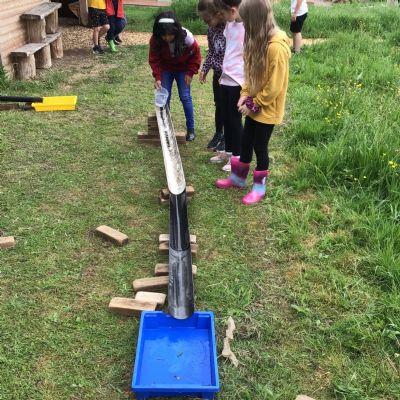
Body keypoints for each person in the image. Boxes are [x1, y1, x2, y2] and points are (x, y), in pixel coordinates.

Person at [215, 0, 291, 205]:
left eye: (246, 22)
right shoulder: (256, 40)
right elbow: (249, 73)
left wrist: (254, 103)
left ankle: (259, 188)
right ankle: (238, 179)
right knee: (246, 141)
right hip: (254, 104)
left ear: (255, 21)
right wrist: (245, 93)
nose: (243, 26)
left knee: (260, 146)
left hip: (268, 108)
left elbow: (274, 87)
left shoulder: (276, 48)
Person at [148, 11, 202, 142]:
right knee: (164, 97)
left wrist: (190, 72)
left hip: (183, 70)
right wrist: (158, 77)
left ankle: (191, 129)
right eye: (164, 35)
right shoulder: (155, 39)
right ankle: (165, 128)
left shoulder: (187, 37)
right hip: (166, 69)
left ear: (176, 31)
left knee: (185, 96)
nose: (167, 38)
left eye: (170, 35)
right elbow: (154, 59)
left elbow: (196, 55)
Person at [209, 0, 245, 172]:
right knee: (226, 116)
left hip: (238, 79)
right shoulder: (230, 24)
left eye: (222, 14)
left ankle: (237, 157)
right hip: (225, 77)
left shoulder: (248, 27)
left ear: (232, 10)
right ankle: (228, 151)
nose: (220, 17)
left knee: (234, 119)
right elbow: (228, 49)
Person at [197, 0, 226, 152]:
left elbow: (234, 55)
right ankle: (218, 133)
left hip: (229, 76)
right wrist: (205, 68)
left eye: (207, 19)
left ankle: (228, 137)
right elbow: (212, 52)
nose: (206, 23)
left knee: (228, 108)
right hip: (217, 74)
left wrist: (226, 73)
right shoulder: (211, 29)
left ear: (217, 14)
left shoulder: (229, 28)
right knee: (219, 105)